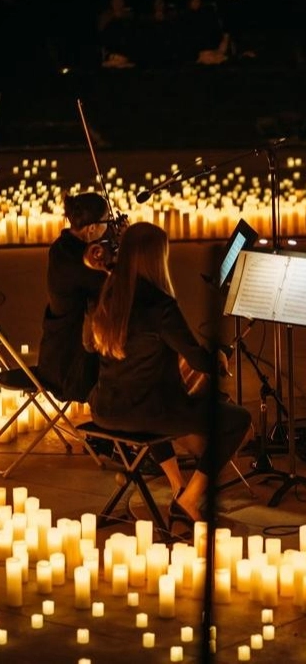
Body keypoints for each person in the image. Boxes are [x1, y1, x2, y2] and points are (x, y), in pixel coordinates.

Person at [87, 222, 252, 524]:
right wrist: (217, 355)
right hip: (147, 414)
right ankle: (190, 499)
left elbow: (97, 346)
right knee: (237, 420)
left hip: (105, 408)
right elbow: (200, 362)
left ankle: (178, 484)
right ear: (156, 258)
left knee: (150, 394)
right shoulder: (161, 305)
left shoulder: (109, 293)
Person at [37, 192, 109, 402]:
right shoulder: (78, 260)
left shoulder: (63, 247)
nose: (109, 227)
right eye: (106, 223)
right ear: (92, 228)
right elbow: (107, 283)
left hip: (56, 353)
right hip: (70, 365)